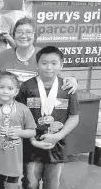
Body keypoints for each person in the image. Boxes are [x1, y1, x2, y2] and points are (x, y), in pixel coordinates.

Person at [16, 46, 80, 189]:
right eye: (44, 63)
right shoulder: (27, 87)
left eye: (54, 63)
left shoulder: (68, 88)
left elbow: (74, 117)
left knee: (52, 184)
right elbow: (19, 118)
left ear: (61, 65)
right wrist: (32, 139)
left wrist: (58, 136)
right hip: (32, 146)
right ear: (37, 65)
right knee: (30, 183)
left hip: (57, 147)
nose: (49, 67)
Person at [0, 72, 36, 189]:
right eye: (1, 87)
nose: (5, 91)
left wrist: (19, 133)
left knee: (11, 186)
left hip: (13, 161)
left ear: (16, 91)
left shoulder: (23, 109)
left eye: (10, 88)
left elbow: (32, 132)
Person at [0, 17, 78, 92]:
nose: (23, 36)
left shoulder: (46, 55)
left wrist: (72, 80)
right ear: (14, 35)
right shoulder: (3, 56)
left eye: (28, 32)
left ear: (35, 35)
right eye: (19, 32)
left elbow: (57, 79)